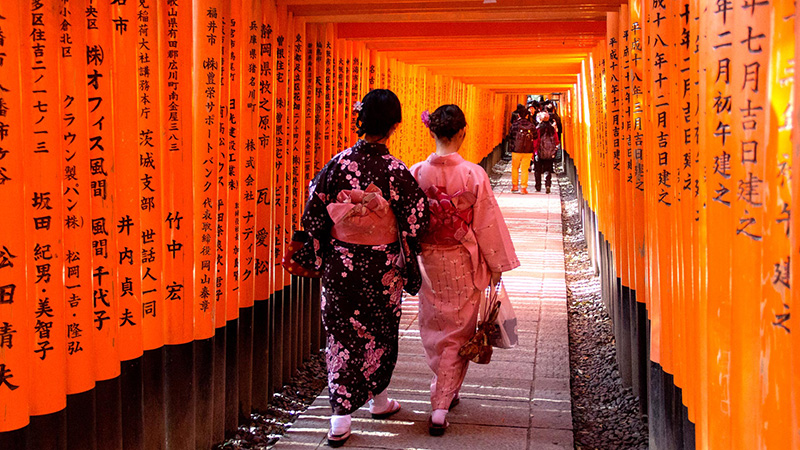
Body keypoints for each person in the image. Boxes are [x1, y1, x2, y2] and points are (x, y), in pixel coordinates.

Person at [299, 89, 430, 447]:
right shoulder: (395, 170)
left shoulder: (337, 165)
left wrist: (324, 248)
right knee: (380, 331)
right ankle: (379, 400)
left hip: (342, 263)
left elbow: (313, 216)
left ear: (360, 120)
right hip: (381, 266)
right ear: (395, 126)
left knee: (341, 335)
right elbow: (416, 218)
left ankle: (340, 419)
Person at [410, 104, 520, 436]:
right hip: (462, 260)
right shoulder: (473, 174)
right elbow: (486, 222)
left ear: (431, 132)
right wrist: (497, 263)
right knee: (458, 329)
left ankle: (444, 387)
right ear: (462, 133)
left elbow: (409, 221)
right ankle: (440, 405)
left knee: (435, 326)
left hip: (428, 260)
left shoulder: (416, 173)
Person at [508, 108, 536, 194]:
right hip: (528, 150)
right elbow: (535, 136)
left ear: (519, 115)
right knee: (524, 169)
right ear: (527, 115)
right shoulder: (531, 125)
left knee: (515, 168)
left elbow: (510, 136)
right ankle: (523, 188)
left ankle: (515, 186)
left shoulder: (515, 125)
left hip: (516, 149)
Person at [533, 111, 560, 194]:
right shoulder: (552, 129)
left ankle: (538, 186)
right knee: (547, 169)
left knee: (537, 170)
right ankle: (547, 185)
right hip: (549, 153)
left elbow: (535, 141)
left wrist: (534, 151)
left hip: (539, 152)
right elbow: (557, 141)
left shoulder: (538, 129)